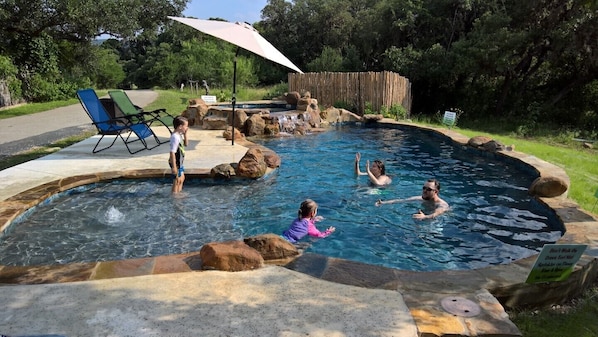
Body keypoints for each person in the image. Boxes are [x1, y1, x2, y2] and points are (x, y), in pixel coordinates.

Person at [375, 178, 449, 220]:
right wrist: (383, 203)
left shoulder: (442, 205)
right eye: (424, 188)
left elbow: (436, 214)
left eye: (428, 189)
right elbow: (401, 200)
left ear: (436, 191)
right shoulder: (421, 198)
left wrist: (425, 217)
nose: (424, 191)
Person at [169, 116, 189, 193]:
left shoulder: (179, 135)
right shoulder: (174, 137)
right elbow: (172, 152)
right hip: (175, 162)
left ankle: (178, 193)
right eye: (186, 126)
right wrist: (174, 167)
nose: (187, 128)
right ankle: (174, 196)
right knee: (176, 181)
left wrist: (185, 134)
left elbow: (186, 144)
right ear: (180, 126)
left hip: (179, 162)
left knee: (181, 179)